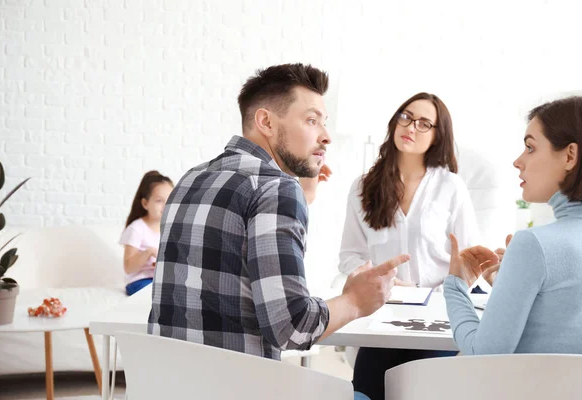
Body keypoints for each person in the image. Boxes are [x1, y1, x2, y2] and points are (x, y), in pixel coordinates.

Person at [148, 63, 409, 400]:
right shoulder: (275, 188)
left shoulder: (191, 179)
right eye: (312, 120)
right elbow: (292, 327)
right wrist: (356, 301)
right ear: (266, 122)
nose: (326, 136)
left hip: (170, 387)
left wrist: (304, 195)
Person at [338, 92, 481, 400]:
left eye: (424, 123)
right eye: (406, 116)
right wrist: (376, 275)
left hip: (435, 321)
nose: (411, 127)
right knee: (364, 393)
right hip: (381, 318)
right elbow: (350, 255)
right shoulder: (363, 187)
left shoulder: (450, 186)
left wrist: (441, 292)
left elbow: (469, 259)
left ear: (437, 136)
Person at [445, 95, 582, 355]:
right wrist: (512, 281)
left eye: (530, 147)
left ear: (570, 156)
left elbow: (483, 354)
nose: (518, 161)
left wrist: (455, 285)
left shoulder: (534, 245)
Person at [119, 170, 173, 296]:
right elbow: (128, 267)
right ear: (145, 203)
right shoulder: (136, 229)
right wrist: (149, 252)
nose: (165, 206)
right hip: (140, 281)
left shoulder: (170, 228)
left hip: (161, 280)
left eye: (169, 200)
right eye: (159, 201)